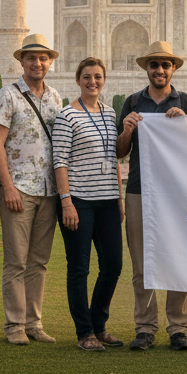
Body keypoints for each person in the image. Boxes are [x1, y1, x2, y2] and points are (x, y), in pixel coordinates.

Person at [116, 41, 187, 351]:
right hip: (139, 190)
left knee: (178, 259)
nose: (160, 70)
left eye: (165, 65)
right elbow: (121, 152)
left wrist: (184, 126)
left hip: (175, 193)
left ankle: (178, 327)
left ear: (173, 68)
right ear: (146, 69)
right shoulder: (133, 101)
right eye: (154, 65)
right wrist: (126, 129)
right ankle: (145, 327)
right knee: (142, 263)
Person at [0, 34, 63, 345]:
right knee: (16, 261)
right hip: (18, 188)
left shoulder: (55, 98)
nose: (37, 63)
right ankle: (14, 325)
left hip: (47, 190)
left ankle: (34, 322)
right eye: (31, 58)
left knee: (38, 262)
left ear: (49, 61)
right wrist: (7, 186)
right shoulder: (8, 95)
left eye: (43, 58)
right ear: (22, 61)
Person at [52, 57, 124, 352]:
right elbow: (60, 161)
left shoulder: (109, 113)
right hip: (79, 201)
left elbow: (114, 158)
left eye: (97, 77)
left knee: (113, 265)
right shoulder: (67, 116)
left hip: (106, 200)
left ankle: (99, 324)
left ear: (103, 80)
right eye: (87, 77)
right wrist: (66, 202)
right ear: (77, 80)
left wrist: (118, 198)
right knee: (79, 267)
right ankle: (85, 333)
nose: (92, 82)